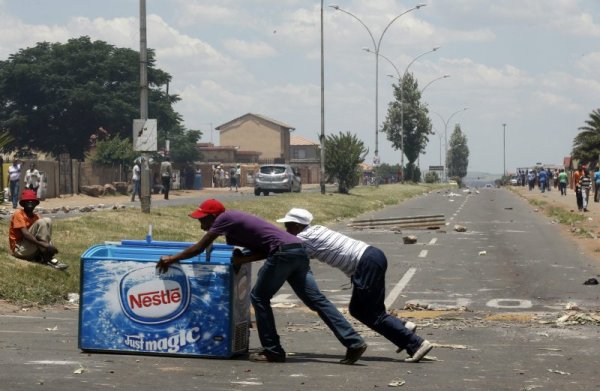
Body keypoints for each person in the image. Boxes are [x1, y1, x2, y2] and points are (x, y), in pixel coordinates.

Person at [156, 199, 367, 364]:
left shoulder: (224, 218)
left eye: (202, 220)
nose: (201, 224)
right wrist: (243, 259)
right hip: (297, 251)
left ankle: (273, 351)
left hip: (284, 253)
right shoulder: (232, 227)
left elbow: (199, 248)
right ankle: (354, 342)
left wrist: (172, 259)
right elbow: (264, 249)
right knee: (316, 300)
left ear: (213, 217)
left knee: (259, 297)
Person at [277, 208, 433, 363]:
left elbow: (285, 252)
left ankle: (416, 344)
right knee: (359, 310)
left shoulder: (303, 239)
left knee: (371, 314)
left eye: (288, 226)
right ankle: (403, 328)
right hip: (372, 256)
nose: (286, 230)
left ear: (297, 226)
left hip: (365, 264)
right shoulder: (317, 229)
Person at [8, 190, 68, 270]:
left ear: (35, 204)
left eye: (32, 201)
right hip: (20, 250)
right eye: (27, 201)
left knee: (47, 220)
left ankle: (45, 255)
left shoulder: (36, 217)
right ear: (23, 203)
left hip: (31, 248)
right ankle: (48, 257)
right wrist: (45, 245)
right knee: (42, 222)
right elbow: (26, 235)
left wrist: (49, 245)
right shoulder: (18, 214)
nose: (29, 202)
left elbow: (43, 235)